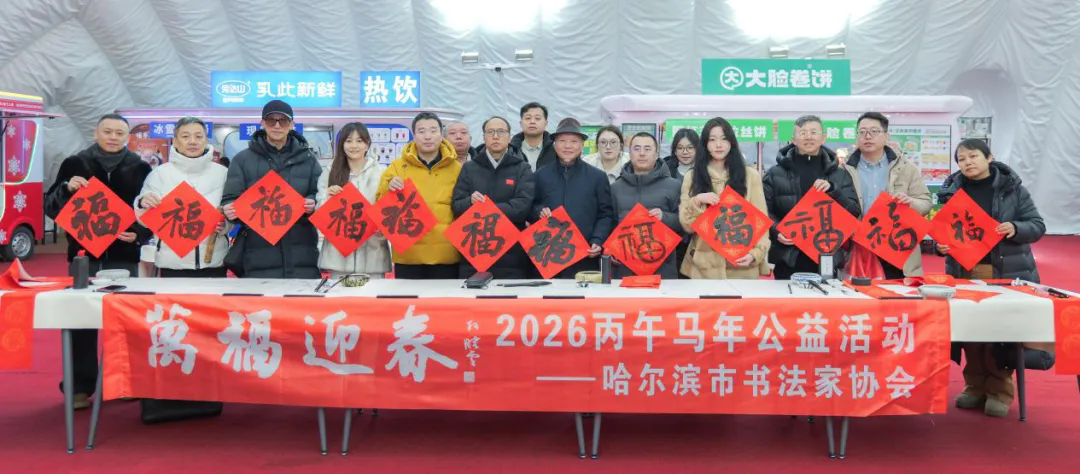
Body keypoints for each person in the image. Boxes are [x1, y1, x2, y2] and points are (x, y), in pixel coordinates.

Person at [44, 113, 152, 410]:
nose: (113, 137)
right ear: (96, 132)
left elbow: (150, 212)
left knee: (126, 323)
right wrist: (66, 188)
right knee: (80, 322)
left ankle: (126, 382)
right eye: (108, 131)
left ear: (127, 137)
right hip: (84, 258)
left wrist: (139, 234)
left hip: (125, 258)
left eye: (119, 132)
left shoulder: (141, 168)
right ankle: (79, 386)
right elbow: (50, 207)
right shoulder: (75, 164)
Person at [938, 138, 1045, 418]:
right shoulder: (951, 191)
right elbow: (943, 231)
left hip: (1002, 270)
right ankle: (974, 386)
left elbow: (1037, 225)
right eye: (962, 159)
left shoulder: (1012, 189)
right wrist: (940, 247)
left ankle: (999, 390)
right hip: (963, 271)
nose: (967, 163)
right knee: (969, 332)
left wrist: (1015, 228)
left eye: (973, 156)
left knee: (1000, 331)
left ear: (989, 157)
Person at [221, 100, 322, 279]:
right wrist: (230, 209)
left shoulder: (308, 159)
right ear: (262, 123)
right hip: (257, 251)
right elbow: (230, 198)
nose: (277, 125)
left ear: (292, 124)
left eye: (283, 120)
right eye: (271, 120)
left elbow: (320, 193)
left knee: (302, 297)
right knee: (260, 298)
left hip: (302, 249)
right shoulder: (242, 160)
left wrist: (313, 203)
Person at [763, 115, 861, 280]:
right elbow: (763, 210)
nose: (808, 137)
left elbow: (854, 211)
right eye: (802, 133)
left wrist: (834, 191)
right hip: (788, 257)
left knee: (826, 296)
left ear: (823, 138)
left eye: (813, 132)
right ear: (793, 139)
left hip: (826, 256)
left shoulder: (839, 175)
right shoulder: (775, 173)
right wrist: (776, 231)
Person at [135, 116, 229, 277]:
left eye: (198, 136)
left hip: (214, 261)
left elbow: (231, 210)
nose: (193, 141)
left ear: (206, 140)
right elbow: (144, 221)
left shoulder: (223, 173)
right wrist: (142, 203)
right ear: (175, 141)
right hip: (172, 264)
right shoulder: (160, 174)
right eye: (185, 136)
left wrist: (225, 225)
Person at [678, 118, 770, 279]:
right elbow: (687, 226)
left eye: (724, 138)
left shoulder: (750, 176)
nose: (718, 145)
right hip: (704, 268)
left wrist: (756, 253)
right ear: (705, 144)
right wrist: (697, 201)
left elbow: (761, 221)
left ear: (731, 142)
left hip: (742, 264)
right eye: (712, 139)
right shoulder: (692, 177)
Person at [843, 112, 932, 278]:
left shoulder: (906, 168)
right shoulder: (844, 169)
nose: (867, 136)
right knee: (858, 293)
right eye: (862, 132)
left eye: (874, 131)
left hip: (896, 247)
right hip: (858, 249)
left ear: (886, 136)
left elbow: (926, 204)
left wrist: (910, 202)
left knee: (898, 293)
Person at [377, 112, 462, 279]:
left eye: (433, 130)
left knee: (444, 296)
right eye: (422, 131)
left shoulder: (456, 168)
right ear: (414, 136)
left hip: (446, 253)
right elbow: (380, 202)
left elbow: (463, 206)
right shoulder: (397, 167)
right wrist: (389, 187)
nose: (428, 136)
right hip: (409, 254)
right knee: (407, 297)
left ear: (441, 134)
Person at [451, 116, 535, 279]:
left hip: (511, 255)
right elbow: (456, 205)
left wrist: (486, 207)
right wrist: (470, 202)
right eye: (490, 132)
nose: (495, 136)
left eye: (501, 132)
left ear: (509, 136)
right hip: (474, 254)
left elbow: (522, 207)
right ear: (483, 136)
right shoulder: (469, 168)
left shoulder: (522, 168)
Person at [532, 117, 614, 278]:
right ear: (554, 144)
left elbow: (606, 214)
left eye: (574, 141)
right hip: (548, 255)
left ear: (582, 145)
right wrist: (538, 211)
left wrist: (597, 240)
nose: (568, 146)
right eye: (562, 141)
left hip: (584, 255)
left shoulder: (597, 177)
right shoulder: (540, 175)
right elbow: (530, 206)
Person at [316, 122, 391, 278]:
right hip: (338, 257)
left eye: (359, 141)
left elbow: (388, 210)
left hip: (373, 256)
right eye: (349, 141)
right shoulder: (330, 171)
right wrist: (327, 198)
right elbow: (319, 211)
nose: (354, 146)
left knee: (373, 294)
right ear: (342, 145)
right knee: (339, 294)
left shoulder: (382, 173)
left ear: (367, 144)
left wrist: (383, 228)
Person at [610, 132, 681, 279]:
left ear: (657, 154)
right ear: (629, 153)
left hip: (663, 267)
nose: (642, 153)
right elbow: (608, 222)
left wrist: (665, 217)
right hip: (624, 267)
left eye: (647, 149)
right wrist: (608, 248)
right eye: (637, 148)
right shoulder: (616, 188)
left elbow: (686, 224)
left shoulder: (674, 186)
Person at [510, 102, 556, 171]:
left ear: (546, 123)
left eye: (537, 118)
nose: (532, 122)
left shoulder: (556, 149)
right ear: (521, 123)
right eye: (528, 118)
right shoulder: (511, 150)